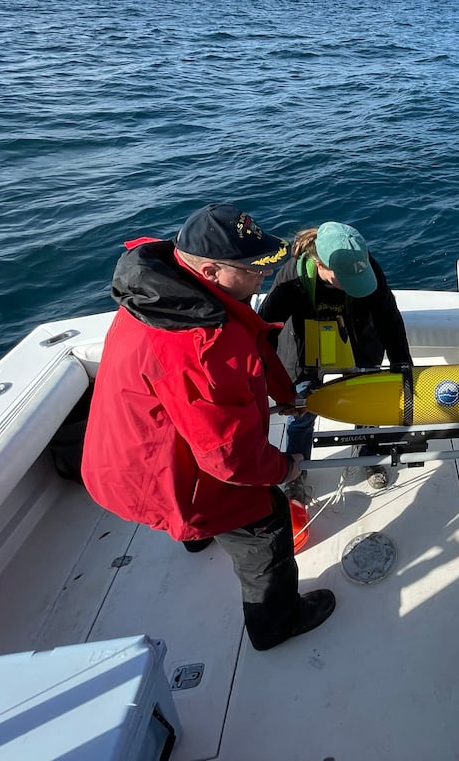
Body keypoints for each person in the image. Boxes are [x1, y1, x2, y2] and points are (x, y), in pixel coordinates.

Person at [81, 203, 335, 651]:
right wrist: (287, 469)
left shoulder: (163, 293)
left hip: (124, 458)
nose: (264, 276)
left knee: (217, 509)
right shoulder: (200, 343)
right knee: (267, 524)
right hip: (167, 476)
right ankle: (276, 624)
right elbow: (228, 458)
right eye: (254, 269)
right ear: (213, 272)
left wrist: (282, 395)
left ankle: (199, 540)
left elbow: (240, 351)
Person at [258, 221, 412, 494]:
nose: (354, 286)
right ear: (320, 265)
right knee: (301, 412)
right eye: (345, 280)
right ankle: (298, 469)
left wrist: (402, 364)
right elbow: (265, 328)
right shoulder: (292, 279)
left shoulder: (367, 268)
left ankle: (369, 452)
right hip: (306, 351)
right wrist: (272, 383)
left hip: (358, 344)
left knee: (367, 403)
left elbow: (389, 318)